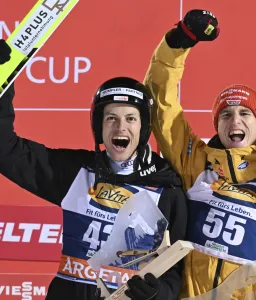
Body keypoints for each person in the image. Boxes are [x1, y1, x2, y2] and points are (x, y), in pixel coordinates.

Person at [0, 40, 187, 300]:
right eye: (111, 118)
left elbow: (176, 270)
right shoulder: (76, 171)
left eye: (131, 119)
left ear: (143, 129)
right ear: (99, 126)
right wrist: (2, 80)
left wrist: (158, 293)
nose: (120, 128)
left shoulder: (166, 188)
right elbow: (6, 150)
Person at [143, 9, 256, 298]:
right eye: (226, 115)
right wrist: (178, 41)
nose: (235, 121)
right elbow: (160, 103)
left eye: (245, 113)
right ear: (217, 126)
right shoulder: (195, 161)